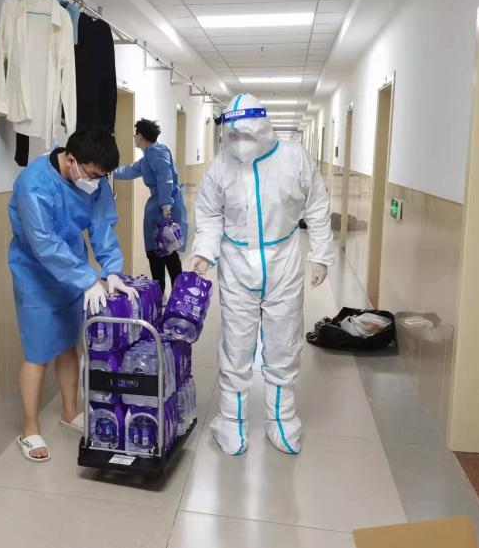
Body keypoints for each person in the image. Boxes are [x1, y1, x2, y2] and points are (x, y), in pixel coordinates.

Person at [191, 93, 333, 456]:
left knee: (284, 344)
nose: (240, 142)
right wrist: (203, 251)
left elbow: (318, 205)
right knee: (236, 346)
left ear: (263, 129)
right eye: (234, 135)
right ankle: (231, 422)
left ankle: (281, 420)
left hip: (283, 260)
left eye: (247, 134)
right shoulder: (220, 168)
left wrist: (320, 255)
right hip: (236, 263)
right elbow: (209, 214)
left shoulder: (293, 158)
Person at [8, 131, 138, 462]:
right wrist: (86, 279)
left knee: (69, 343)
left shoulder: (94, 180)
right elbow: (44, 243)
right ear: (71, 160)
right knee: (38, 351)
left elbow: (102, 226)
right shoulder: (33, 185)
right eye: (92, 174)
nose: (95, 181)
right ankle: (29, 428)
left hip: (73, 271)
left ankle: (70, 411)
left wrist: (111, 270)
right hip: (35, 273)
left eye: (101, 176)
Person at [114, 118, 189, 297]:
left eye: (135, 134)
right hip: (157, 206)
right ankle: (161, 294)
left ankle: (177, 295)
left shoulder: (157, 151)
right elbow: (130, 170)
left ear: (141, 136)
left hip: (165, 206)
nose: (134, 138)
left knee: (167, 250)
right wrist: (107, 172)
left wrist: (165, 204)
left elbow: (165, 178)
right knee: (157, 251)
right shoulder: (147, 156)